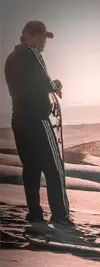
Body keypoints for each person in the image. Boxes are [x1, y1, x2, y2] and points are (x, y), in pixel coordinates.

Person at [3, 20, 71, 225]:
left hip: (19, 118)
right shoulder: (31, 53)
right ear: (30, 36)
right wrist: (55, 85)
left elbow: (27, 86)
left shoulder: (11, 58)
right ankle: (61, 216)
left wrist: (48, 87)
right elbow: (40, 82)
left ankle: (35, 213)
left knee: (31, 168)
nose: (44, 43)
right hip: (37, 119)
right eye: (42, 37)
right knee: (54, 167)